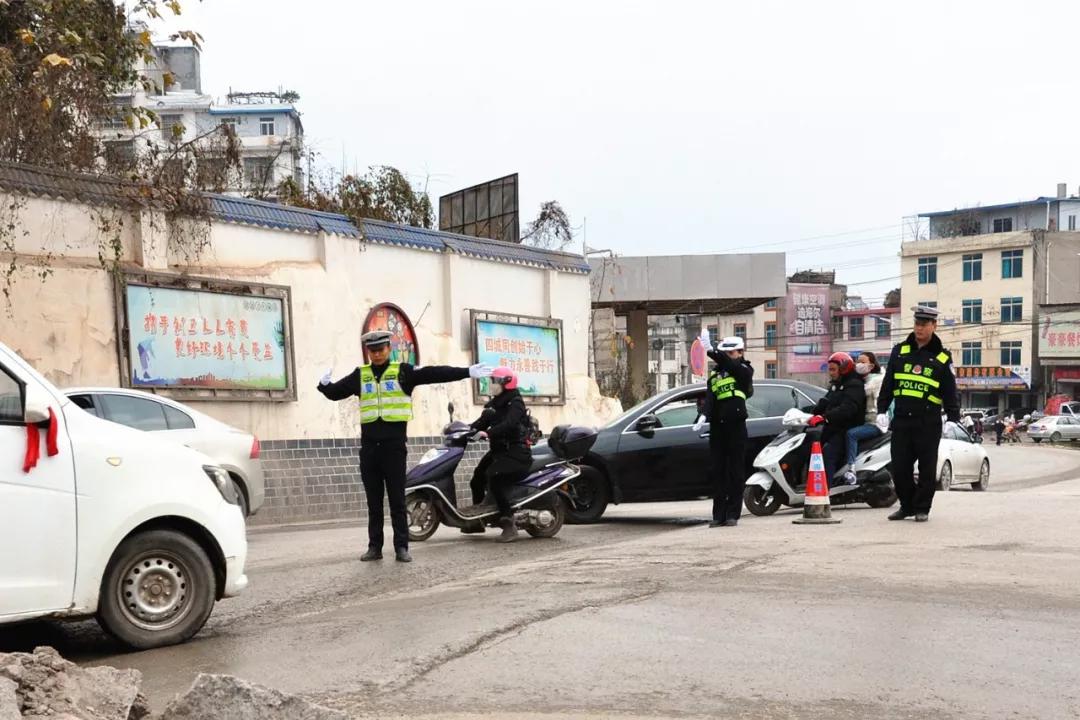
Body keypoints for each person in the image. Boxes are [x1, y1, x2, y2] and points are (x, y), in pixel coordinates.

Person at [318, 330, 492, 562]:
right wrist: (324, 384)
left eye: (380, 350)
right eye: (372, 351)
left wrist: (466, 372)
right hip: (369, 450)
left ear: (389, 348)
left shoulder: (402, 372)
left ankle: (402, 547)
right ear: (368, 352)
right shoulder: (361, 375)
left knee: (397, 500)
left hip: (394, 448)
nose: (377, 354)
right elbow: (335, 393)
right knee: (374, 502)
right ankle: (374, 547)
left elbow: (434, 373)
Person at [877, 306, 961, 522]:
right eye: (917, 324)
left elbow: (950, 390)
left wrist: (953, 418)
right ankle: (906, 505)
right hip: (902, 420)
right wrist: (882, 409)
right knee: (899, 467)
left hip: (928, 421)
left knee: (926, 468)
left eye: (924, 324)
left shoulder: (942, 357)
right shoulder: (900, 351)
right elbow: (888, 384)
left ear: (934, 326)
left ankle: (922, 508)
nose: (919, 328)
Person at [693, 332, 754, 528]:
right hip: (718, 427)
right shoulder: (716, 374)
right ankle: (718, 514)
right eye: (725, 353)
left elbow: (734, 367)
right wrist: (703, 415)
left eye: (731, 352)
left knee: (735, 471)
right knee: (718, 471)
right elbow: (710, 398)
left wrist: (712, 351)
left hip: (736, 426)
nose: (728, 356)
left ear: (740, 352)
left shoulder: (744, 369)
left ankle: (732, 514)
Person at [467, 367, 533, 542]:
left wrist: (488, 433)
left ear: (506, 383)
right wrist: (461, 431)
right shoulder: (494, 405)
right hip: (499, 452)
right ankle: (476, 521)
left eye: (494, 381)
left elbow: (510, 424)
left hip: (516, 453)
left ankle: (508, 522)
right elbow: (480, 423)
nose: (491, 385)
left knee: (494, 477)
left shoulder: (516, 403)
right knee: (477, 479)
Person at [808, 352, 866, 485]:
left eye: (833, 369)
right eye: (830, 369)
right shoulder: (836, 384)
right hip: (832, 428)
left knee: (828, 454)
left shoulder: (854, 385)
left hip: (847, 428)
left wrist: (824, 417)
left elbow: (848, 409)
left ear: (843, 368)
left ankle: (825, 491)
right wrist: (811, 414)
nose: (831, 373)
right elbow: (826, 401)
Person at [841, 351, 886, 485]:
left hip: (875, 423)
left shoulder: (876, 381)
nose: (858, 364)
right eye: (857, 361)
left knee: (851, 435)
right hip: (866, 421)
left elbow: (865, 393)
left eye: (862, 362)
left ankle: (851, 469)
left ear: (871, 366)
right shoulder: (862, 380)